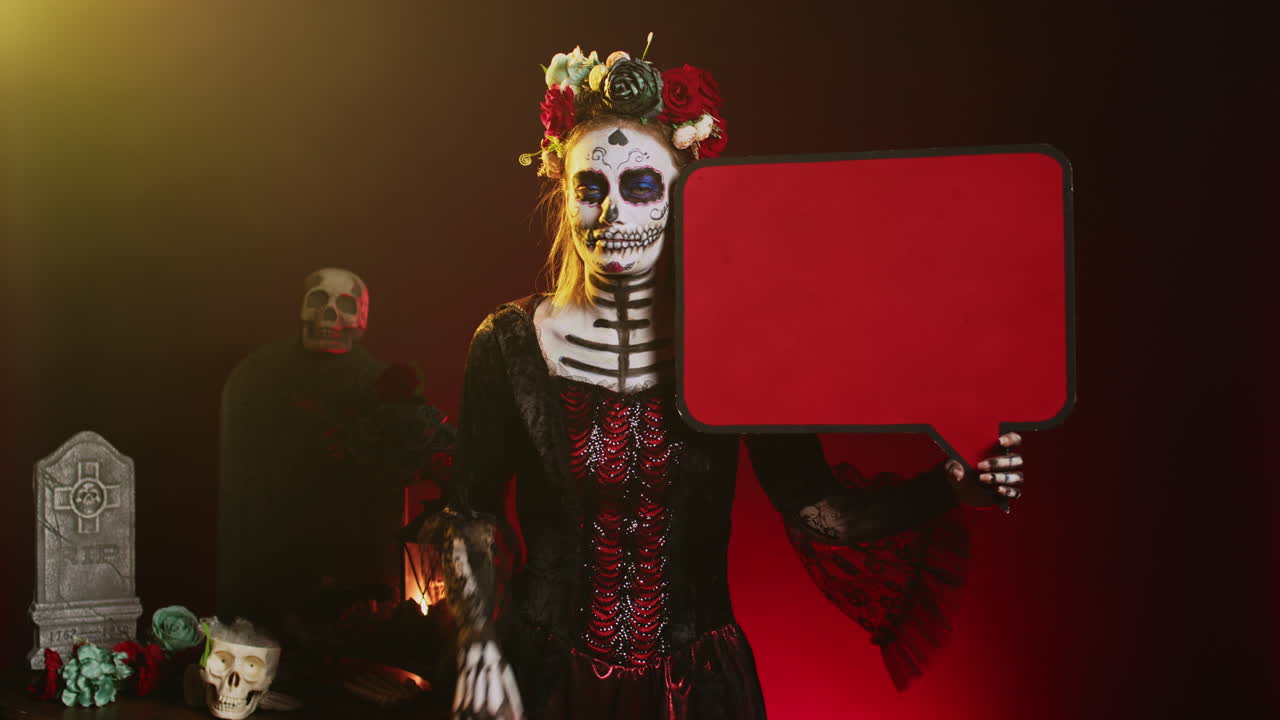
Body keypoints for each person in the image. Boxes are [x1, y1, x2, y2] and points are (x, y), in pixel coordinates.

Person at [423, 42, 1027, 720]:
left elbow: (814, 508)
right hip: (543, 679)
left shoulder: (736, 344)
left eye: (641, 186)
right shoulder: (506, 344)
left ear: (682, 195)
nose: (614, 213)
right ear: (563, 197)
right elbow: (471, 515)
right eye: (590, 188)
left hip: (696, 691)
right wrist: (478, 645)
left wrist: (945, 487)